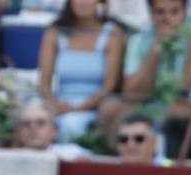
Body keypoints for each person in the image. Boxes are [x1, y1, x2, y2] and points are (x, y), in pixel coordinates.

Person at [97, 0, 191, 153]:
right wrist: (158, 45)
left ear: (185, 10)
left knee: (173, 113)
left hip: (190, 105)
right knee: (109, 109)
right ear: (151, 12)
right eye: (160, 12)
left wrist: (181, 93)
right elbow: (131, 92)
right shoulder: (142, 35)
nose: (168, 18)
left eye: (174, 11)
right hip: (149, 104)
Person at [37, 0, 125, 142]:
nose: (83, 2)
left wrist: (80, 107)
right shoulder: (54, 32)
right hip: (60, 105)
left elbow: (110, 85)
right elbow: (44, 84)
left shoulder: (113, 33)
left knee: (72, 125)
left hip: (95, 106)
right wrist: (54, 105)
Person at [14, 97, 93, 158]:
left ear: (54, 131)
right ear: (18, 132)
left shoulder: (73, 154)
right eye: (26, 124)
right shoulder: (7, 159)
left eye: (41, 123)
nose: (33, 128)